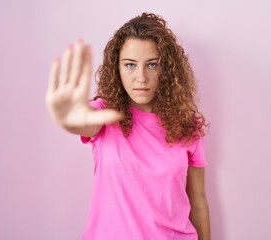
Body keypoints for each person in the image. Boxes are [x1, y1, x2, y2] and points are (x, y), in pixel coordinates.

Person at [46, 12, 211, 240]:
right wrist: (69, 119)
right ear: (117, 68)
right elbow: (84, 121)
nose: (141, 77)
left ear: (167, 71)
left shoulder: (188, 124)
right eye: (130, 65)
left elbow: (198, 201)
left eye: (152, 65)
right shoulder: (104, 114)